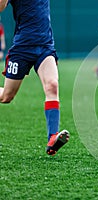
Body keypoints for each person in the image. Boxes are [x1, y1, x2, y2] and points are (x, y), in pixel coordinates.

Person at [0, 0, 69, 156]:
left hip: (45, 46)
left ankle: (52, 139)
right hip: (22, 48)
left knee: (52, 85)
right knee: (6, 96)